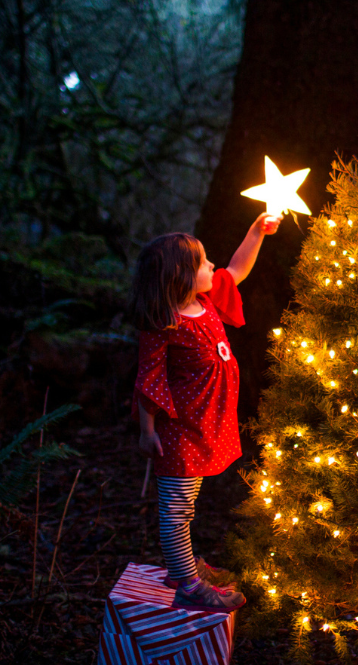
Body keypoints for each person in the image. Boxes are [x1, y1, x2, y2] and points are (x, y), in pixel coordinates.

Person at [129, 213, 280, 612]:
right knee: (176, 511)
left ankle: (183, 568)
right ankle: (188, 585)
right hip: (181, 430)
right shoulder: (165, 324)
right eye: (202, 263)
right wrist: (147, 431)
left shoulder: (205, 300)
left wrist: (255, 232)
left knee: (187, 504)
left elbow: (237, 268)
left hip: (207, 423)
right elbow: (148, 380)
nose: (212, 267)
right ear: (179, 277)